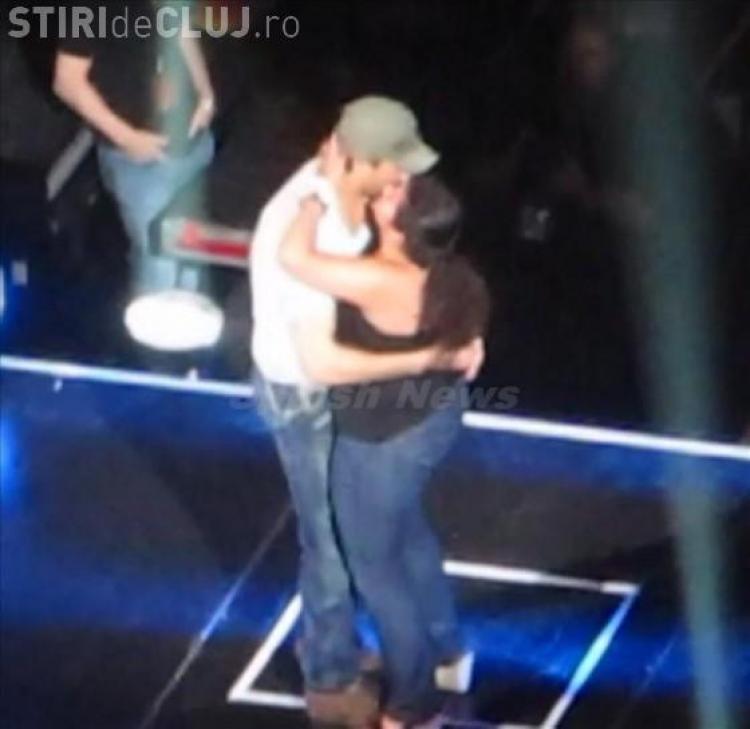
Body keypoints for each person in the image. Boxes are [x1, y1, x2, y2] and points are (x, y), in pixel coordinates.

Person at [250, 96, 482, 728]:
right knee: (335, 543)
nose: (404, 180)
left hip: (378, 415)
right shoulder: (316, 224)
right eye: (395, 168)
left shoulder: (362, 219)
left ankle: (421, 673)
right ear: (360, 159)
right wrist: (432, 356)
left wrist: (442, 348)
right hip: (308, 397)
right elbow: (321, 362)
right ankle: (334, 675)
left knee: (376, 544)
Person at [53, 0, 216, 296]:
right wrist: (128, 138)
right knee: (159, 272)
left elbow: (178, 25)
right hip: (143, 165)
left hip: (192, 144)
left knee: (192, 256)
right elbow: (67, 81)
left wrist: (206, 93)